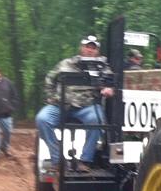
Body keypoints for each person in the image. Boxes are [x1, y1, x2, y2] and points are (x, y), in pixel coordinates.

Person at [35, 35, 114, 171]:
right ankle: (57, 159)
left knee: (97, 120)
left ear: (97, 51)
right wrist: (51, 96)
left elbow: (111, 83)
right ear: (81, 48)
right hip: (60, 105)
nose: (90, 50)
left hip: (87, 106)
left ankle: (85, 160)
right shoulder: (66, 63)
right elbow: (49, 79)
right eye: (87, 47)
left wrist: (108, 89)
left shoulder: (102, 67)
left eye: (93, 48)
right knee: (42, 119)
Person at [0, 67, 18, 159]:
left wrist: (12, 107)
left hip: (6, 113)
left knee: (7, 131)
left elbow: (15, 95)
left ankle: (4, 147)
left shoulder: (7, 82)